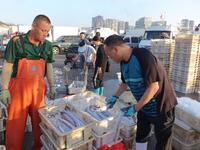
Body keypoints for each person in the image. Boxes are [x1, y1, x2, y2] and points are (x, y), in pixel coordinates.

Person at [104, 35, 177, 150]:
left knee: (162, 142)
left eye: (109, 55)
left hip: (162, 107)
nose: (109, 58)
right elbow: (124, 83)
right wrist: (115, 97)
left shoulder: (143, 56)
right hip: (143, 106)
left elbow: (154, 87)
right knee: (141, 136)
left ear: (115, 49)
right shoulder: (123, 63)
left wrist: (135, 108)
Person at [0, 15, 56, 150]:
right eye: (43, 30)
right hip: (18, 91)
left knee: (40, 123)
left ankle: (39, 147)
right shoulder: (16, 42)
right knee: (15, 124)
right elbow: (8, 66)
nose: (45, 34)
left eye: (47, 31)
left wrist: (52, 86)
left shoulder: (48, 45)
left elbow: (49, 66)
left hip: (38, 90)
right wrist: (5, 88)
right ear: (33, 26)